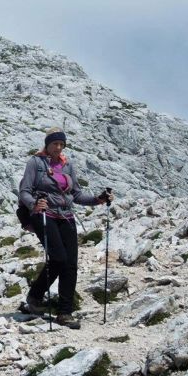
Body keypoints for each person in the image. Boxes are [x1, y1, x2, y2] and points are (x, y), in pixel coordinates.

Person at [18, 127, 114, 329]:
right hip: (44, 214)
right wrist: (34, 204)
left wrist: (98, 199)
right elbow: (24, 191)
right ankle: (35, 296)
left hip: (67, 215)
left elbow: (77, 195)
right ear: (47, 144)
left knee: (70, 264)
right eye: (55, 144)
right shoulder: (36, 163)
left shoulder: (67, 165)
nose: (58, 147)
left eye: (61, 144)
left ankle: (65, 312)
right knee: (59, 258)